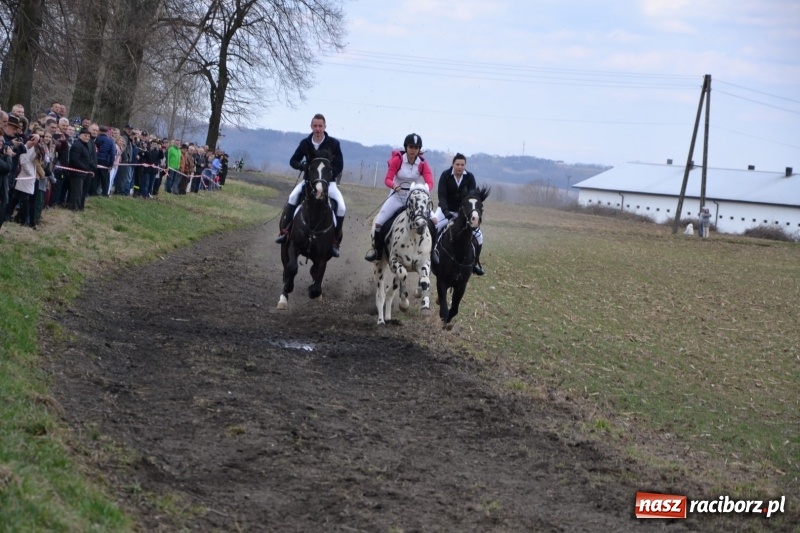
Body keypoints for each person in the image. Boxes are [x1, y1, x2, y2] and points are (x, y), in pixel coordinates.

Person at [276, 113, 346, 257]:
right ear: (311, 127)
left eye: (320, 126)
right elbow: (293, 160)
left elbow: (339, 165)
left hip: (328, 183)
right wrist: (302, 166)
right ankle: (285, 232)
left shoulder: (334, 144)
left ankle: (334, 241)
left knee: (342, 207)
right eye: (315, 126)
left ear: (325, 127)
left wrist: (327, 177)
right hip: (308, 182)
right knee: (292, 197)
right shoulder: (305, 143)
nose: (318, 129)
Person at [364, 133, 433, 262]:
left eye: (416, 148)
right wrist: (394, 185)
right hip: (397, 196)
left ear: (419, 149)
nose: (413, 150)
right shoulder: (398, 160)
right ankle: (377, 251)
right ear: (406, 147)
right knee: (379, 223)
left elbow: (430, 182)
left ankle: (431, 254)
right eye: (411, 147)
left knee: (434, 221)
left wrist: (424, 189)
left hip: (415, 199)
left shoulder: (422, 163)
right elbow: (387, 179)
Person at [431, 153, 485, 275]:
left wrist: (465, 213)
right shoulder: (445, 175)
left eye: (462, 165)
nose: (460, 167)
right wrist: (445, 211)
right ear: (453, 164)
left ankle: (475, 263)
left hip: (462, 212)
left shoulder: (470, 177)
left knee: (479, 236)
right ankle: (431, 255)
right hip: (445, 210)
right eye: (457, 164)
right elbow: (442, 196)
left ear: (465, 165)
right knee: (435, 226)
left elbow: (471, 198)